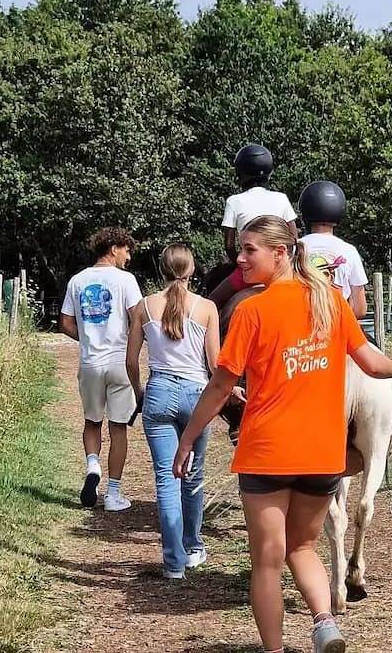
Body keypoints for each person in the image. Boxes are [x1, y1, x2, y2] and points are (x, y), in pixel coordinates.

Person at [171, 215, 392, 653]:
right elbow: (372, 363)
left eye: (250, 250)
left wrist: (189, 436)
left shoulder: (251, 311)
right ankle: (325, 623)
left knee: (267, 562)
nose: (240, 258)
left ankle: (275, 650)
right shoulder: (329, 301)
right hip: (323, 456)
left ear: (281, 253)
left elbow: (219, 385)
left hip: (267, 454)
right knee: (303, 547)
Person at [125, 244, 240, 579]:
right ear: (192, 270)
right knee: (193, 474)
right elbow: (216, 363)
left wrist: (140, 392)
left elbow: (131, 360)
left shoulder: (144, 307)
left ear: (162, 269)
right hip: (196, 394)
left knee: (165, 478)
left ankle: (173, 562)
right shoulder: (205, 308)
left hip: (159, 390)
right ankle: (192, 546)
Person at [59, 227, 143, 511]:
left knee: (92, 422)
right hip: (119, 361)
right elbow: (138, 318)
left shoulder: (77, 280)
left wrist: (88, 338)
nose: (128, 257)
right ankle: (113, 494)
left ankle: (92, 466)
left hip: (90, 362)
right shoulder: (126, 280)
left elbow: (66, 322)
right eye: (126, 250)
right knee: (118, 429)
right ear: (113, 249)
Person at [208, 143, 298, 309]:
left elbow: (228, 245)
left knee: (211, 301)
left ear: (240, 173)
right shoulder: (281, 198)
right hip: (280, 265)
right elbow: (293, 238)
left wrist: (242, 264)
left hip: (250, 267)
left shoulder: (234, 201)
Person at [297, 181, 369, 319]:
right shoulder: (349, 251)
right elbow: (360, 309)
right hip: (337, 325)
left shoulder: (293, 248)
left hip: (299, 324)